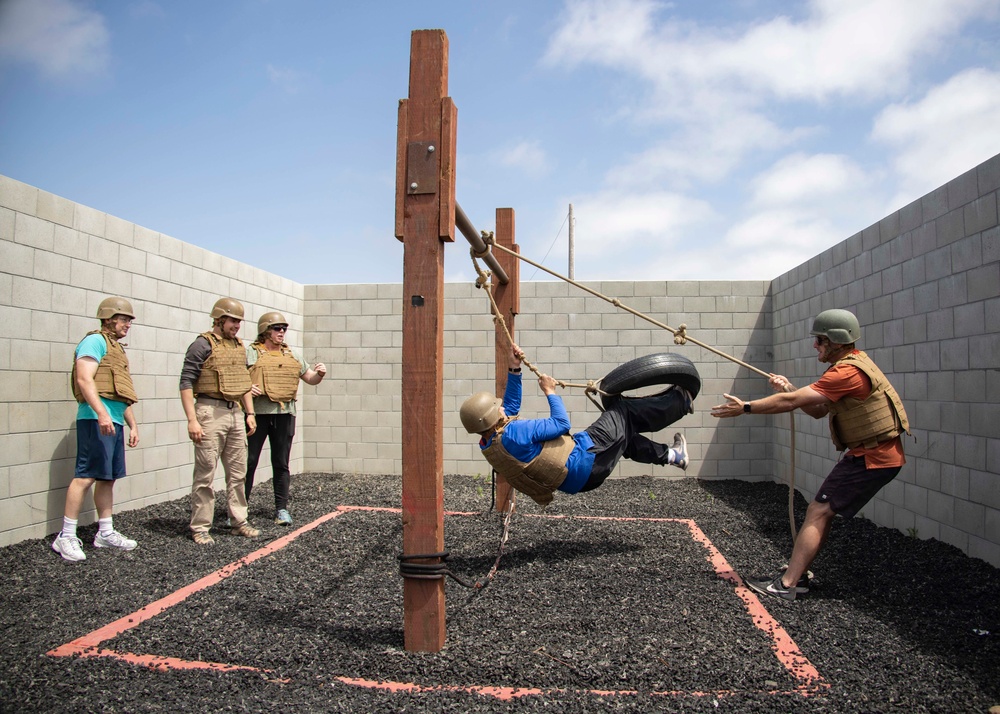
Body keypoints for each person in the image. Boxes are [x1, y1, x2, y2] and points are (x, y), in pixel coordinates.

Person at [711, 308, 910, 601]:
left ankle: (788, 584)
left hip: (873, 457)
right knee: (821, 511)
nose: (815, 345)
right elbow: (817, 410)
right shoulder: (851, 365)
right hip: (870, 455)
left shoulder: (848, 372)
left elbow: (791, 402)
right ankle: (797, 575)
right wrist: (790, 387)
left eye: (820, 339)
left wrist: (747, 407)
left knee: (819, 510)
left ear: (836, 341)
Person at [460, 345, 692, 506]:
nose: (502, 407)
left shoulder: (490, 442)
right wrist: (549, 391)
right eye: (497, 406)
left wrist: (514, 367)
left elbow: (509, 408)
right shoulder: (516, 433)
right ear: (492, 417)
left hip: (581, 480)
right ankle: (680, 402)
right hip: (586, 458)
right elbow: (561, 424)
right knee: (623, 411)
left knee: (623, 438)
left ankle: (673, 456)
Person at [52, 296, 141, 562]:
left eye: (129, 320)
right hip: (94, 419)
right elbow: (84, 378)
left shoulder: (117, 349)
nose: (128, 324)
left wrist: (132, 424)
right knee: (86, 476)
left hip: (112, 420)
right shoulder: (94, 341)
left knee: (107, 478)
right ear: (109, 318)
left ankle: (105, 532)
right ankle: (65, 536)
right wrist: (101, 413)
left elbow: (119, 392)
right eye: (124, 319)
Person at [179, 297, 259, 545]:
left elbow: (243, 381)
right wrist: (192, 420)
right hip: (209, 411)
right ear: (220, 319)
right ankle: (201, 527)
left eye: (239, 321)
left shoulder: (238, 345)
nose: (237, 325)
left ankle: (239, 522)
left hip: (235, 412)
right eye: (233, 320)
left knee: (238, 473)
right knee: (205, 474)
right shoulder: (201, 344)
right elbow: (185, 382)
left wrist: (250, 413)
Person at [244, 311, 326, 526]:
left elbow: (310, 378)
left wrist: (320, 374)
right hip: (257, 415)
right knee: (249, 462)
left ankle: (281, 509)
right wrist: (245, 388)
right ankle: (239, 510)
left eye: (284, 329)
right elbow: (236, 377)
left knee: (281, 463)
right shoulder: (250, 353)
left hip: (284, 414)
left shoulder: (292, 355)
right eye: (277, 328)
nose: (282, 332)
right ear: (265, 330)